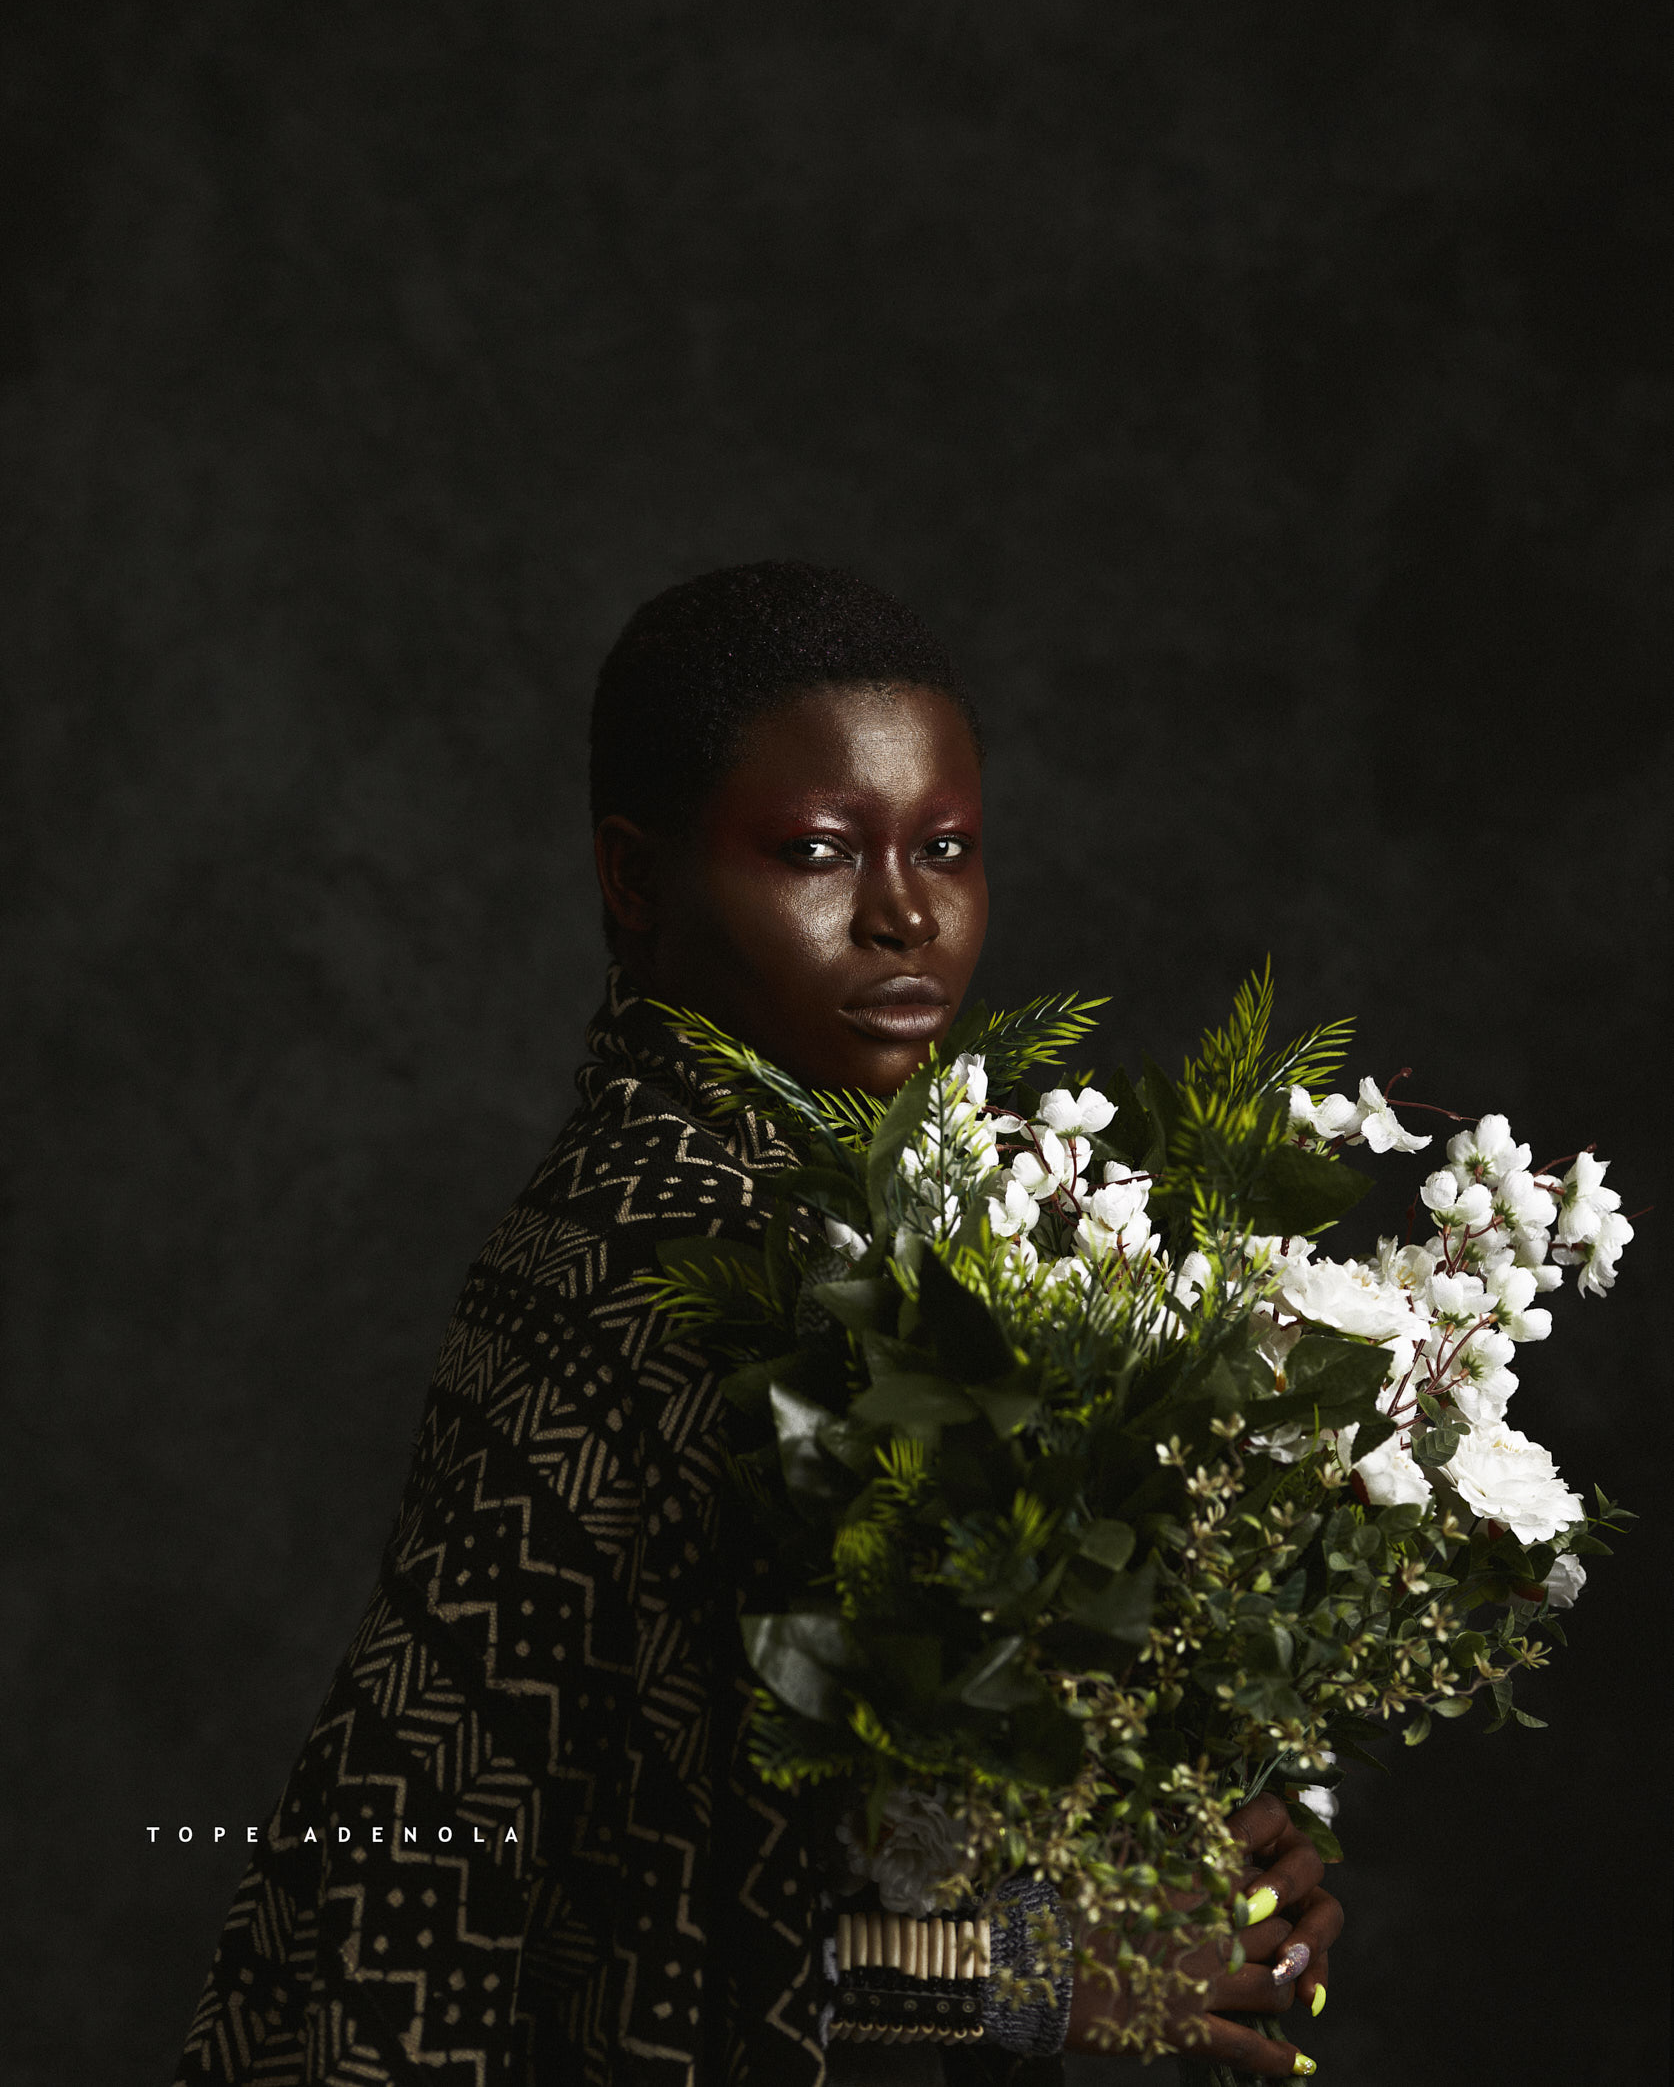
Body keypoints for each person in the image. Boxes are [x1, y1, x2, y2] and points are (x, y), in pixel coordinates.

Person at [175, 562, 1340, 2086]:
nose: (903, 913)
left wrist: (1203, 1837)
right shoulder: (655, 1256)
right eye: (815, 853)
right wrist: (1043, 1969)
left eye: (944, 848)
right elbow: (521, 1889)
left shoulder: (878, 1220)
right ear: (634, 879)